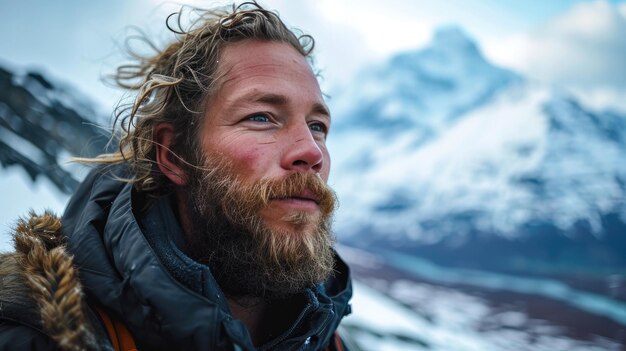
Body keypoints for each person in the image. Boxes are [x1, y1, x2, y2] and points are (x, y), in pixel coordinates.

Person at [0, 2, 352, 350]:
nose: (312, 152)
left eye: (317, 126)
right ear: (173, 154)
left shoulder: (325, 336)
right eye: (261, 117)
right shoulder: (29, 331)